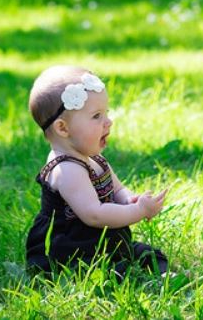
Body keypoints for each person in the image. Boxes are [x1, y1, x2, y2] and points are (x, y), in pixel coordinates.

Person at [26, 65, 169, 276]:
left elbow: (118, 190)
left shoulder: (95, 159)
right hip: (71, 251)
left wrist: (131, 200)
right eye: (96, 116)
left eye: (106, 113)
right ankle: (126, 276)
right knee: (108, 271)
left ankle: (159, 274)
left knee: (147, 254)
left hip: (101, 242)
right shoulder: (66, 169)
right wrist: (138, 212)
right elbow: (94, 215)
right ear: (62, 128)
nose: (108, 122)